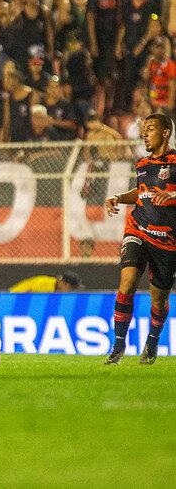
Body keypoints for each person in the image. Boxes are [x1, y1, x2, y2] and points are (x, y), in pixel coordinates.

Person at [104, 113, 176, 365]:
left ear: (165, 133)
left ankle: (152, 342)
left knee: (159, 298)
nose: (145, 133)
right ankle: (118, 345)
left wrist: (173, 195)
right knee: (128, 281)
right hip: (138, 229)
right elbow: (141, 192)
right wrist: (119, 197)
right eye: (144, 129)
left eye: (151, 129)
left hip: (167, 240)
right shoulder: (143, 164)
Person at [10, 271, 83, 292]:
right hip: (13, 297)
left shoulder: (55, 286)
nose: (71, 291)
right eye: (71, 288)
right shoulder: (45, 285)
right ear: (64, 284)